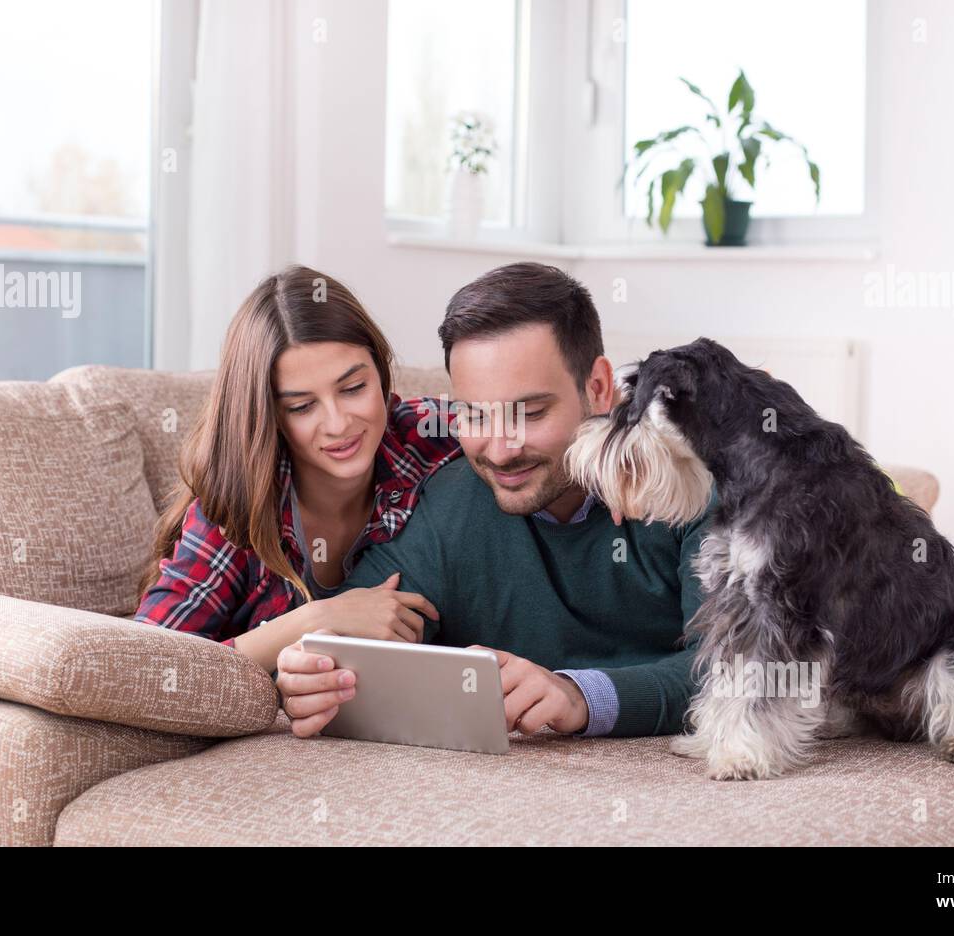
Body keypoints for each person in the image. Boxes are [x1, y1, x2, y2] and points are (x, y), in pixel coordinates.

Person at [275, 262, 717, 739]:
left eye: (529, 413)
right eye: (475, 416)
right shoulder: (448, 507)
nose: (501, 450)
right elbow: (346, 650)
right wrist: (311, 672)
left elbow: (741, 667)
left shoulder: (697, 485)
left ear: (598, 389)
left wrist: (580, 696)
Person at [135, 265, 462, 674]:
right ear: (269, 416)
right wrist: (316, 620)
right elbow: (147, 666)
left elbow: (540, 431)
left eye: (353, 388)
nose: (339, 424)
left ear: (380, 373)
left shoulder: (425, 432)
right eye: (302, 406)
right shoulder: (236, 508)